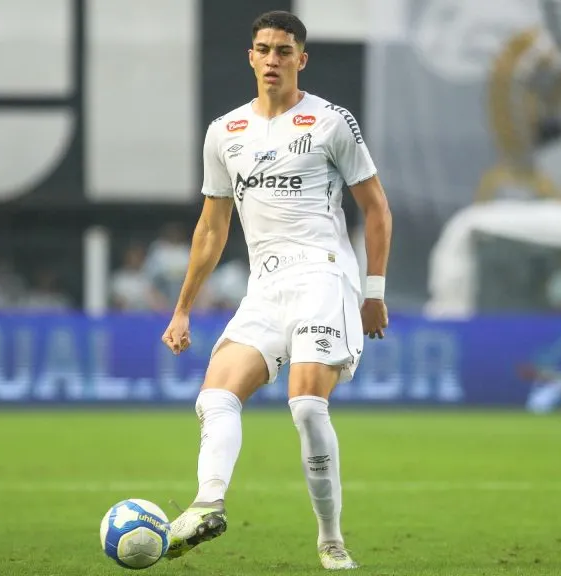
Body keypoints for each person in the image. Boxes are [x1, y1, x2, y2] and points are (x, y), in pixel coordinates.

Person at [159, 10, 392, 571]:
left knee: (307, 405)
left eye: (284, 51)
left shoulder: (331, 122)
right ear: (250, 57)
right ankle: (207, 505)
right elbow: (212, 227)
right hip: (265, 286)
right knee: (215, 397)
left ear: (300, 60)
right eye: (263, 49)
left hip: (323, 276)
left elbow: (376, 209)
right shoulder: (225, 132)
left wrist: (374, 291)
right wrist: (183, 308)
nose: (272, 59)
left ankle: (331, 540)